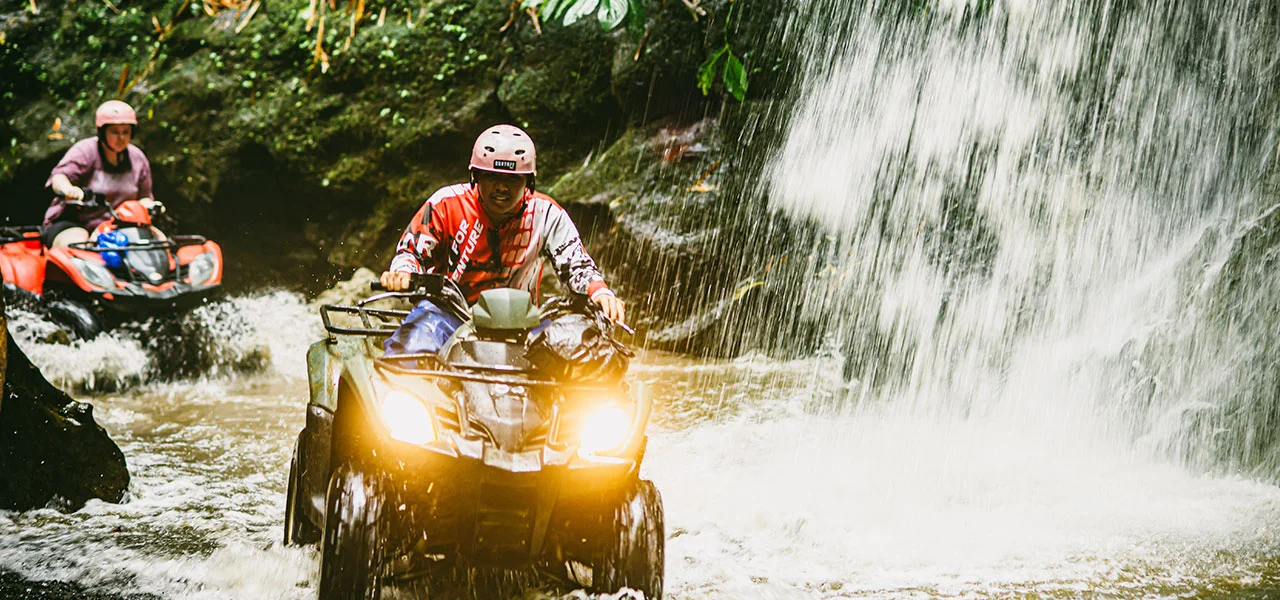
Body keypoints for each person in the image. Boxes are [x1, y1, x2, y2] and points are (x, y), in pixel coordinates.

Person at [380, 124, 625, 353]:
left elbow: (577, 265)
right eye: (491, 176)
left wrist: (600, 292)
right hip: (448, 313)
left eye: (512, 178)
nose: (501, 187)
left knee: (585, 357)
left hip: (521, 321)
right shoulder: (446, 203)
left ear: (528, 181)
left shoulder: (547, 214)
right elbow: (411, 253)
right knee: (410, 352)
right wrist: (402, 273)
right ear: (476, 176)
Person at [43, 100, 158, 248]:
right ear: (102, 131)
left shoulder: (137, 158)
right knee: (77, 245)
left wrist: (151, 206)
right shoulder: (85, 151)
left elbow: (144, 197)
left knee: (158, 242)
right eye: (115, 132)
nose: (121, 138)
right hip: (76, 223)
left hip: (120, 225)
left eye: (126, 132)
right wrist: (68, 189)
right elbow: (59, 177)